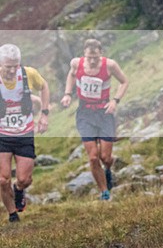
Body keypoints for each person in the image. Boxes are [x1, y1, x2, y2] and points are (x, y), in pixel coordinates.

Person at [61, 39, 128, 201]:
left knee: (105, 157)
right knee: (93, 157)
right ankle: (104, 191)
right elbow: (71, 75)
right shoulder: (76, 63)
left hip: (104, 113)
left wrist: (115, 101)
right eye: (89, 57)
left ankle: (108, 169)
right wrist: (68, 94)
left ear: (101, 54)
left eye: (95, 58)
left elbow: (124, 82)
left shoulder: (110, 65)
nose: (92, 61)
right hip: (85, 113)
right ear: (84, 54)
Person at [0, 44, 50, 223]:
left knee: (24, 179)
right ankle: (13, 215)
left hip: (24, 134)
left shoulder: (29, 74)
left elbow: (44, 87)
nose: (12, 70)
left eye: (15, 65)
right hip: (2, 135)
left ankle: (19, 189)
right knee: (3, 179)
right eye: (8, 66)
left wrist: (44, 114)